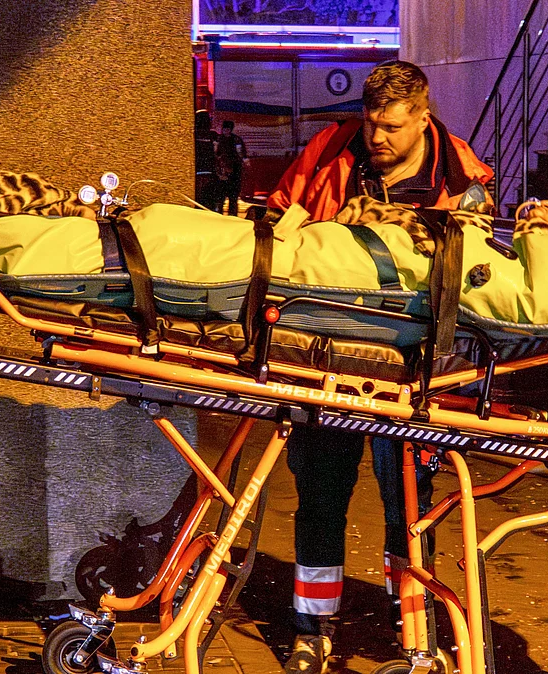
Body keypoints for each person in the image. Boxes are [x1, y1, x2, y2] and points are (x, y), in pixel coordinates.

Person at [266, 60, 493, 674]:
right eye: (370, 123)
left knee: (410, 509)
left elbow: (476, 278)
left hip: (413, 372)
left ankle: (414, 636)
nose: (377, 138)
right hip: (325, 362)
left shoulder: (461, 181)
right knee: (319, 497)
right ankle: (313, 630)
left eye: (391, 126)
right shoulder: (330, 152)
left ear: (424, 117)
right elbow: (281, 218)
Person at [214, 120, 248, 216]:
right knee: (220, 197)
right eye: (224, 128)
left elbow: (241, 153)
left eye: (228, 129)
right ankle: (218, 216)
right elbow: (215, 153)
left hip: (235, 171)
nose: (226, 131)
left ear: (231, 129)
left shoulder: (236, 140)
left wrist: (244, 160)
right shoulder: (218, 139)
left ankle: (233, 216)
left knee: (233, 197)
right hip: (221, 170)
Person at [194, 110, 221, 211]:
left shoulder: (194, 134)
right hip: (210, 169)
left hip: (197, 168)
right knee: (210, 196)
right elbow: (217, 151)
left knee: (198, 196)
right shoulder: (213, 135)